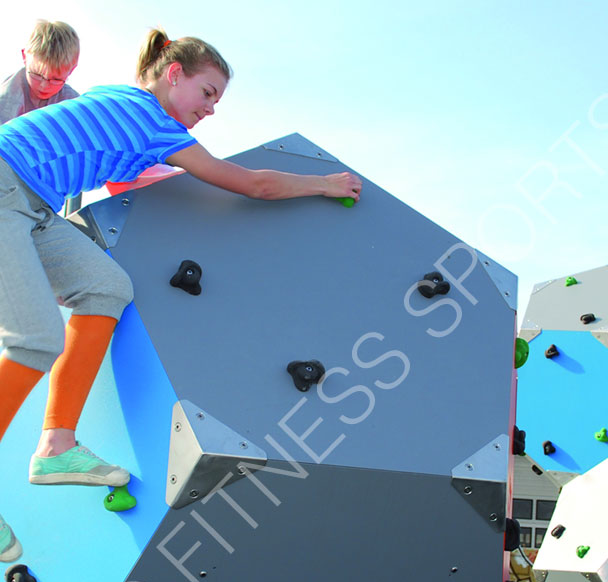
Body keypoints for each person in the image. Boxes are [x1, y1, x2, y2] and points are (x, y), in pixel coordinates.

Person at [0, 29, 361, 555]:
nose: (212, 109)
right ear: (174, 75)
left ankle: (56, 444)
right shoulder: (154, 122)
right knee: (35, 338)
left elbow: (127, 180)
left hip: (33, 208)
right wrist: (322, 185)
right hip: (6, 185)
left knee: (105, 287)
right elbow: (249, 183)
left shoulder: (116, 99)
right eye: (208, 92)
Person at [0, 20, 80, 124]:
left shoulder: (72, 103)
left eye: (56, 79)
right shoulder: (8, 98)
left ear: (71, 70)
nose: (44, 85)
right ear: (24, 57)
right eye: (37, 75)